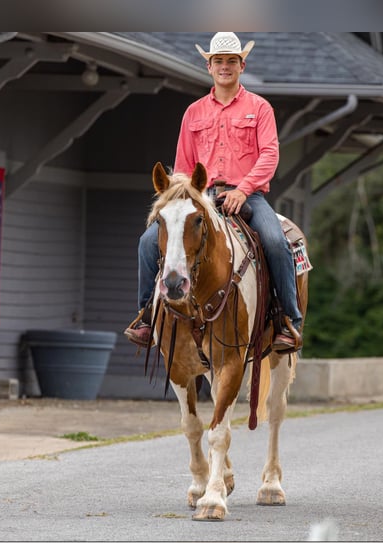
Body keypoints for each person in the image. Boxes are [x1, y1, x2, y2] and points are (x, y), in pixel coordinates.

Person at [124, 32, 303, 353]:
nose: (224, 67)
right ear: (208, 66)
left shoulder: (260, 108)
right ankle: (147, 317)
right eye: (218, 61)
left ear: (241, 65)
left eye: (231, 61)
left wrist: (244, 190)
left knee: (276, 243)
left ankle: (287, 320)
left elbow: (270, 156)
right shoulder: (193, 113)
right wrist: (185, 195)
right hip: (200, 198)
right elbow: (182, 165)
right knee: (148, 242)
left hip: (248, 195)